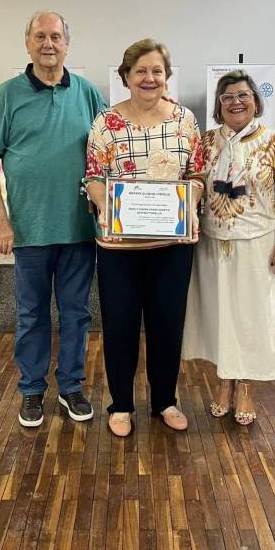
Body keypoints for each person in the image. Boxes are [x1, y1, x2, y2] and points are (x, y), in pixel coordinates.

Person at [0, 11, 106, 428]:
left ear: (67, 44)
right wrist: (0, 220)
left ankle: (70, 387)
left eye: (55, 36)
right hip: (29, 231)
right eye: (40, 36)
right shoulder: (9, 94)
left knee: (76, 314)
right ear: (27, 43)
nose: (48, 44)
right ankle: (32, 390)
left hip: (79, 228)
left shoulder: (87, 93)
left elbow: (112, 147)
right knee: (31, 315)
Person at [84, 38, 205, 437]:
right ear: (126, 77)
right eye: (140, 71)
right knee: (119, 325)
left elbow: (197, 174)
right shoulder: (106, 122)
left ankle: (165, 401)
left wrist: (189, 206)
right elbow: (93, 176)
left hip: (171, 247)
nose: (149, 78)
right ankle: (120, 405)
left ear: (166, 77)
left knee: (167, 324)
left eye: (157, 71)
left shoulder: (185, 120)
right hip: (119, 247)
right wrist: (107, 208)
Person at [182, 70, 275, 425]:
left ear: (256, 101)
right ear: (219, 105)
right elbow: (193, 186)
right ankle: (224, 380)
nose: (236, 102)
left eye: (243, 95)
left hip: (257, 245)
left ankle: (246, 385)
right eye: (228, 97)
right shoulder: (206, 142)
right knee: (219, 314)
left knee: (251, 317)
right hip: (212, 243)